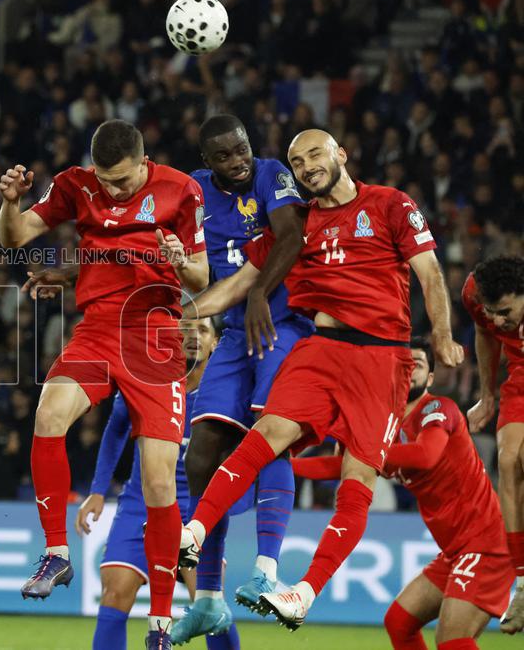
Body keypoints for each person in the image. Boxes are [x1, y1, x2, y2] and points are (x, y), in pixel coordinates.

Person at [177, 129, 462, 630]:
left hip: (381, 359)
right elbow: (235, 287)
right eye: (296, 161)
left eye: (315, 154)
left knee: (357, 478)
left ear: (341, 155)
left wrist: (441, 334)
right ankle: (194, 532)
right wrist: (183, 313)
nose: (306, 166)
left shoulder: (391, 205)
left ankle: (304, 593)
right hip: (322, 349)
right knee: (266, 436)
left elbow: (430, 273)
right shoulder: (295, 227)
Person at [0, 119, 208, 648]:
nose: (113, 191)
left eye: (123, 180)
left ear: (144, 161)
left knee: (159, 482)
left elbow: (203, 277)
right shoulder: (75, 184)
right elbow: (17, 237)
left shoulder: (181, 189)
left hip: (156, 334)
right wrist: (9, 203)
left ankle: (160, 620)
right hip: (95, 329)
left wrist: (183, 264)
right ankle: (56, 554)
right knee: (48, 414)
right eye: (105, 180)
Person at [175, 114, 310, 639]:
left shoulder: (271, 173)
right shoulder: (194, 192)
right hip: (234, 331)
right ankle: (208, 598)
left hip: (284, 322)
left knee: (270, 434)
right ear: (208, 161)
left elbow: (292, 235)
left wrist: (258, 292)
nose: (239, 160)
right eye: (226, 156)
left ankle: (267, 571)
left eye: (243, 149)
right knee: (203, 449)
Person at [293, 338, 513, 650]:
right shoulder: (387, 429)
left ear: (431, 379)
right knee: (399, 621)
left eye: (418, 365)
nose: (410, 370)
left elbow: (426, 455)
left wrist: (368, 450)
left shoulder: (440, 408)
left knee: (453, 640)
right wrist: (285, 468)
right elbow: (341, 465)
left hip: (487, 544)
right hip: (455, 549)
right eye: (403, 365)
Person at [76, 313, 242, 650]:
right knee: (114, 591)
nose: (193, 336)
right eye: (185, 330)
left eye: (203, 330)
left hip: (196, 510)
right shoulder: (148, 380)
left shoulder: (228, 393)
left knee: (208, 602)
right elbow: (116, 428)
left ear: (214, 344)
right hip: (141, 503)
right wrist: (97, 490)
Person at [461, 255, 524, 633]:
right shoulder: (473, 294)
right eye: (491, 311)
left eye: (505, 312)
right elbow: (485, 334)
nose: (498, 320)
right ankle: (522, 585)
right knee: (509, 460)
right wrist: (487, 396)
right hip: (518, 378)